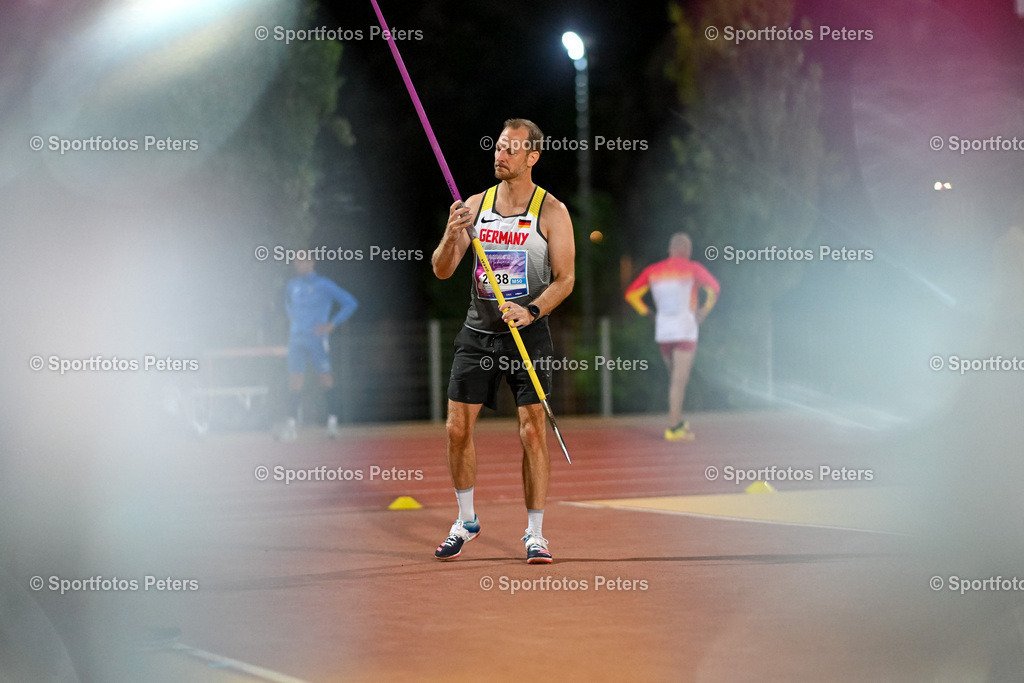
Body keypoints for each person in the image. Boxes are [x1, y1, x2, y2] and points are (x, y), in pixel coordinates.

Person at [431, 118, 575, 564]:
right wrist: (451, 233)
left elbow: (566, 279)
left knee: (532, 431)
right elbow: (442, 269)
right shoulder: (475, 206)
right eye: (498, 147)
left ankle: (535, 533)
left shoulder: (552, 211)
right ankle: (466, 521)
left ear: (532, 157)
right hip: (478, 333)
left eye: (512, 149)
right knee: (457, 429)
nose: (501, 155)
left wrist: (531, 310)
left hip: (526, 334)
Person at [625, 233, 719, 441]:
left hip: (664, 331)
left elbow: (631, 294)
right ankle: (674, 427)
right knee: (679, 380)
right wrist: (704, 311)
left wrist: (648, 313)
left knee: (674, 379)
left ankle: (677, 421)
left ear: (670, 249)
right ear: (687, 250)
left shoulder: (653, 270)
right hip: (685, 329)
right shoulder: (693, 268)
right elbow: (714, 288)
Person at [278, 255, 358, 440]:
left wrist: (332, 324)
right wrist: (291, 318)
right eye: (297, 261)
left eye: (304, 261)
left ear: (312, 262)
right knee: (294, 381)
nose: (300, 264)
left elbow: (350, 303)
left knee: (325, 379)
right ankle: (291, 425)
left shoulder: (324, 284)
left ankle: (332, 423)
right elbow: (287, 303)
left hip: (316, 339)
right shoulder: (292, 285)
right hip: (296, 339)